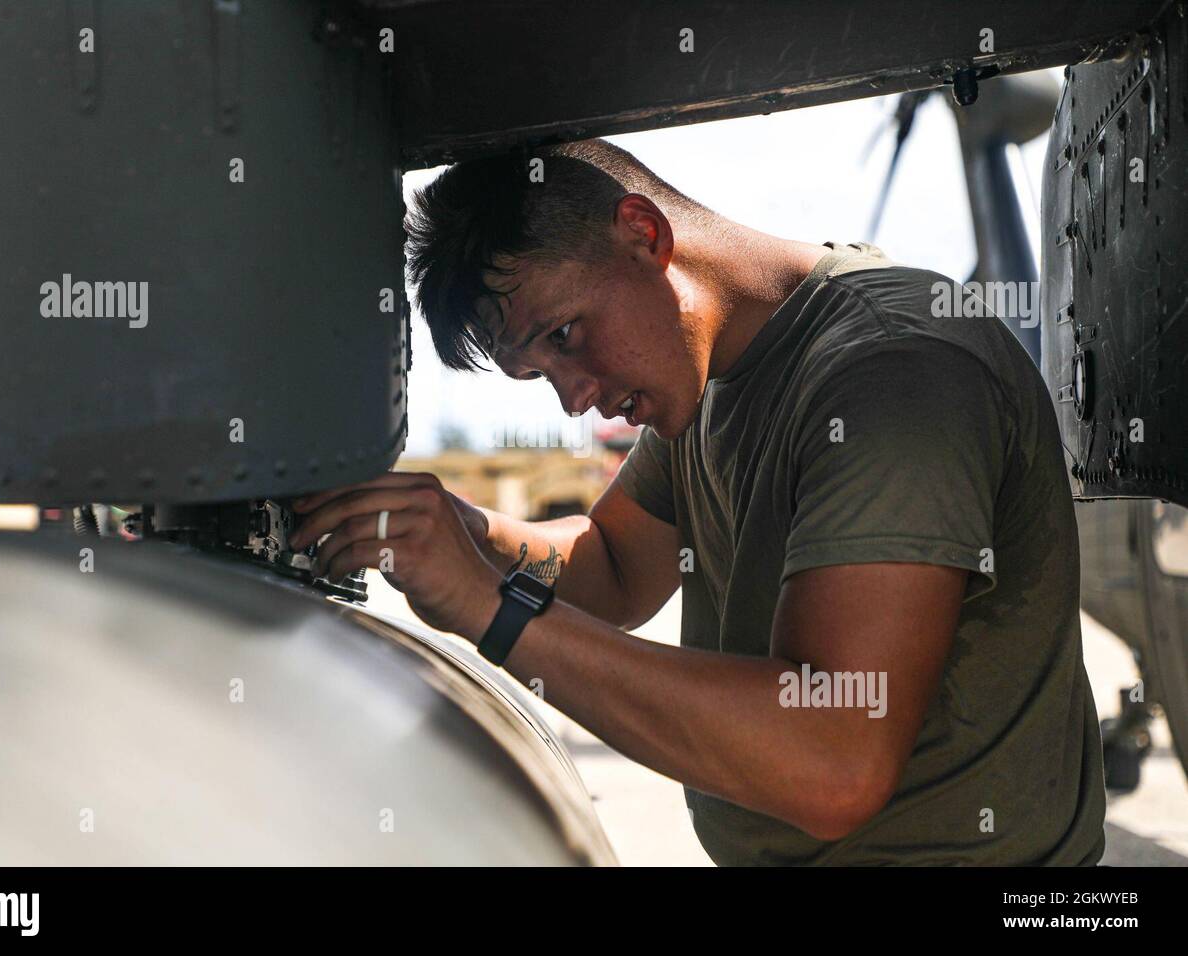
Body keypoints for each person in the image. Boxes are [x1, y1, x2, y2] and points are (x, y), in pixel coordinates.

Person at [289, 139, 1106, 865]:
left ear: (643, 235)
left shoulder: (892, 373)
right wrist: (461, 532)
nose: (575, 400)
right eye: (539, 372)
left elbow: (833, 762)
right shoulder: (705, 379)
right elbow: (611, 567)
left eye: (566, 336)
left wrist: (489, 612)